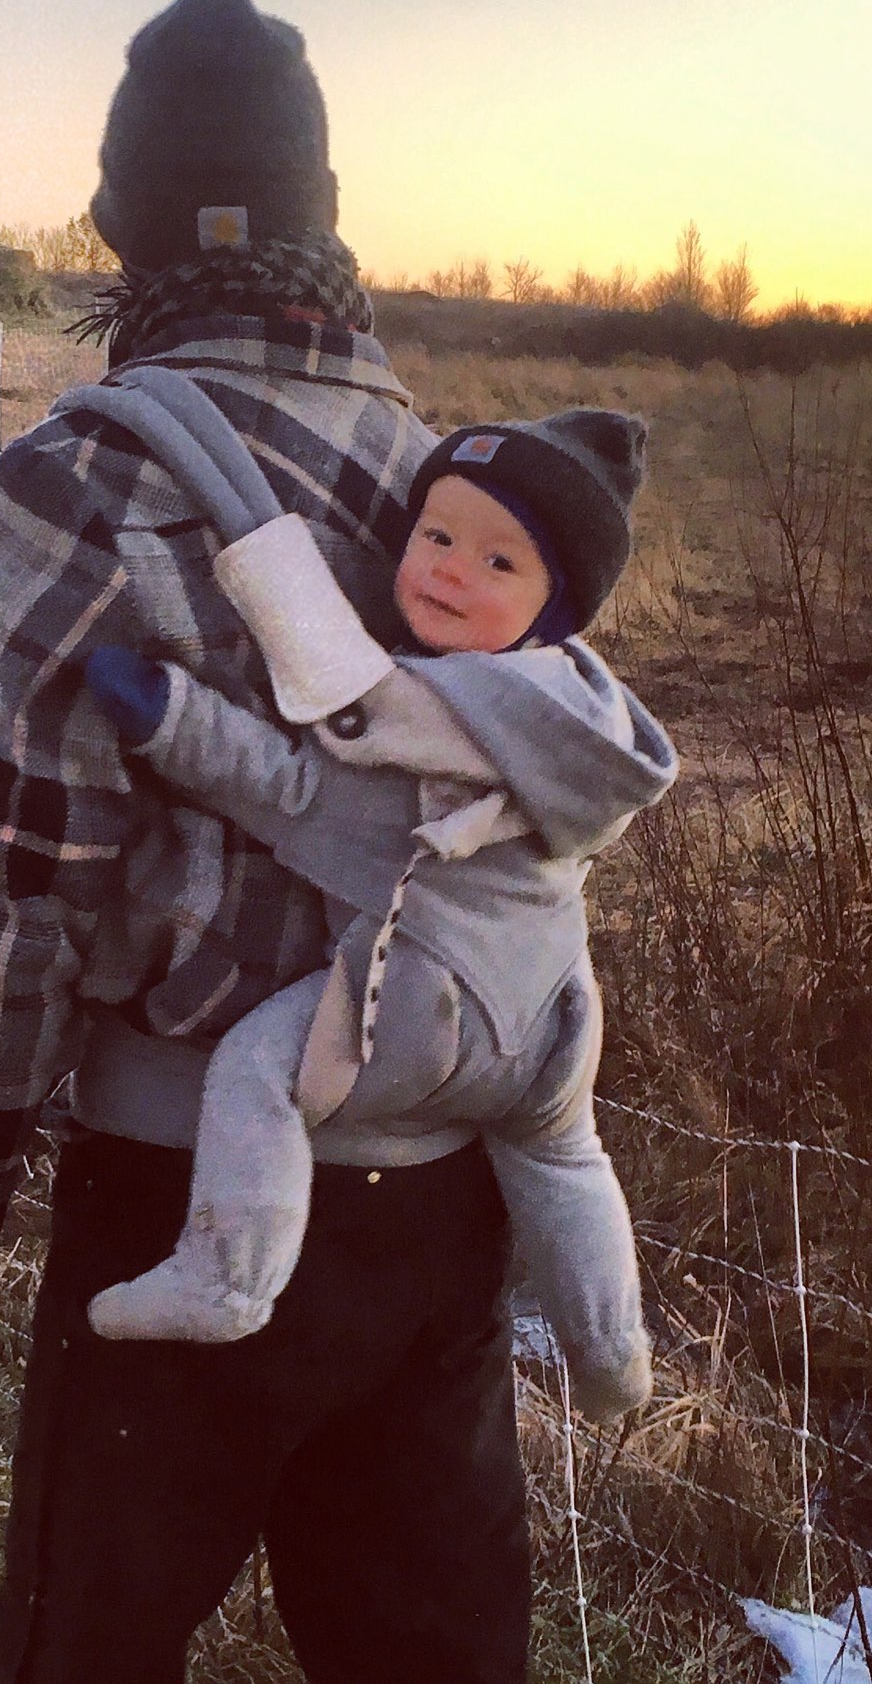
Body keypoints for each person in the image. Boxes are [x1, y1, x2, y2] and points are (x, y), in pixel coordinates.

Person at [0, 0, 576, 1684]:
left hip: (174, 1194)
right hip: (431, 1201)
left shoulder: (84, 473)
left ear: (123, 230)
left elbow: (1, 875)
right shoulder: (453, 490)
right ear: (324, 219)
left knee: (88, 1673)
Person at [74, 389, 675, 1429]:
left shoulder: (438, 717)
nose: (448, 566)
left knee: (257, 1073)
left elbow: (291, 788)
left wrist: (169, 717)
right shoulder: (583, 718)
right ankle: (613, 1353)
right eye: (435, 533)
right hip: (551, 1015)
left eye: (498, 562)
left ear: (554, 604)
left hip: (423, 1002)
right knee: (564, 1156)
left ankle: (225, 1276)